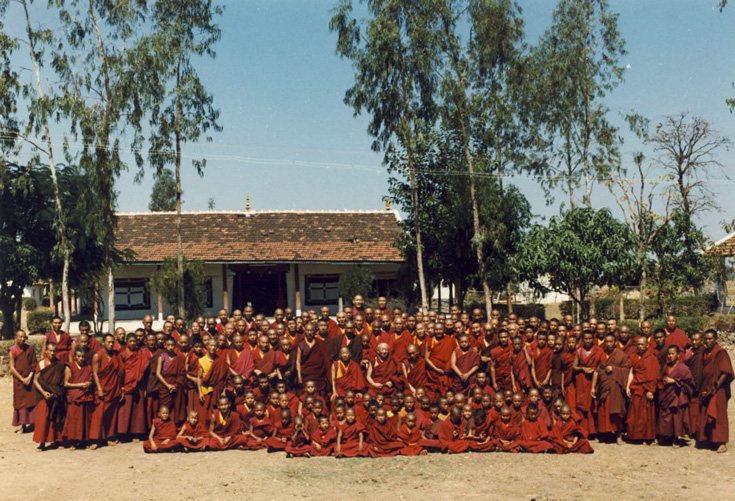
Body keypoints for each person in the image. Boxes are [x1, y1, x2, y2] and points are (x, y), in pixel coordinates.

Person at [697, 329, 734, 453]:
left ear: (715, 339)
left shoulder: (720, 353)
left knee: (719, 414)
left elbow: (726, 371)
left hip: (718, 389)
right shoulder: (705, 353)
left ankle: (722, 443)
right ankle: (711, 439)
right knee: (706, 412)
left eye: (710, 339)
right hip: (706, 387)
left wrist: (716, 387)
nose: (708, 341)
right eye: (706, 339)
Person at [592, 333, 631, 444]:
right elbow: (596, 371)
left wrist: (614, 369)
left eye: (611, 342)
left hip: (616, 388)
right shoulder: (601, 354)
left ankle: (618, 436)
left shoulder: (621, 355)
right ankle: (605, 435)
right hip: (603, 387)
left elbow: (627, 370)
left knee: (616, 412)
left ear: (615, 343)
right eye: (607, 342)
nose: (608, 344)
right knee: (603, 412)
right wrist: (593, 387)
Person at [90, 334, 124, 448]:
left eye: (112, 342)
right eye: (108, 342)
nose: (111, 344)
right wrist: (99, 388)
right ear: (103, 343)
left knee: (111, 413)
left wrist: (121, 388)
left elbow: (120, 372)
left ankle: (109, 436)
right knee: (99, 413)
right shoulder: (97, 355)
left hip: (113, 387)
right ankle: (95, 439)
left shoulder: (116, 355)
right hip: (102, 388)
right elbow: (95, 373)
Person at [657, 346, 695, 448]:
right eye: (669, 354)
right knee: (665, 416)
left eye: (673, 354)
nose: (670, 356)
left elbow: (690, 384)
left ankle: (677, 439)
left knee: (677, 418)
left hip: (677, 396)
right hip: (667, 395)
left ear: (678, 355)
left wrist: (675, 381)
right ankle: (666, 436)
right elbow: (661, 378)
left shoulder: (683, 368)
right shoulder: (666, 366)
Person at [626, 336, 660, 444]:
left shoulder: (652, 358)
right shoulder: (634, 356)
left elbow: (654, 375)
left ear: (647, 345)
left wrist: (651, 390)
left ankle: (647, 437)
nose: (640, 347)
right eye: (638, 344)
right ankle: (635, 436)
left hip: (646, 390)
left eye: (642, 344)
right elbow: (632, 371)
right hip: (636, 388)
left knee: (646, 415)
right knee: (635, 414)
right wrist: (628, 386)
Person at [33, 343, 66, 450]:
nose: (52, 353)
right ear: (46, 351)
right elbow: (35, 380)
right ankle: (42, 443)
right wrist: (43, 393)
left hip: (55, 394)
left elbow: (61, 382)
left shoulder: (59, 365)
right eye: (50, 351)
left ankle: (58, 440)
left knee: (56, 417)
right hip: (43, 395)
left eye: (54, 351)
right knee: (43, 418)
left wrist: (57, 392)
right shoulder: (41, 364)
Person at [62, 348, 94, 448]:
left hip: (85, 396)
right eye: (79, 356)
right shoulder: (69, 366)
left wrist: (89, 384)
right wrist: (80, 385)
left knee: (85, 419)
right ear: (74, 357)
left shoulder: (88, 367)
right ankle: (73, 442)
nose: (81, 358)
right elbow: (66, 384)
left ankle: (84, 441)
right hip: (74, 395)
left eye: (83, 356)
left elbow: (91, 380)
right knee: (73, 419)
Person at [9, 329, 37, 432]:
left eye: (24, 337)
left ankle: (34, 423)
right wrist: (22, 379)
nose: (22, 339)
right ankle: (23, 425)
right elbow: (12, 368)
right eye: (20, 337)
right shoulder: (12, 350)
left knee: (31, 400)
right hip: (19, 380)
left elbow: (34, 364)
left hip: (29, 379)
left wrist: (29, 377)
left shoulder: (30, 349)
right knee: (20, 402)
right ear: (16, 338)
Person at [157, 337, 187, 425]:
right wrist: (167, 385)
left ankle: (174, 425)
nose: (170, 347)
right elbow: (158, 374)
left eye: (172, 345)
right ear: (165, 345)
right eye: (168, 345)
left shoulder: (179, 357)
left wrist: (176, 385)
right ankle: (163, 425)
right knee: (164, 406)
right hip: (164, 385)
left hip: (176, 384)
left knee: (176, 406)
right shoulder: (161, 357)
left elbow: (182, 373)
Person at [296, 324, 331, 396]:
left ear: (314, 331)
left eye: (311, 330)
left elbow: (325, 359)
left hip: (318, 373)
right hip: (306, 373)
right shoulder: (301, 344)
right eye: (307, 330)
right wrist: (299, 376)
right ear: (305, 331)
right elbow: (298, 361)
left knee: (319, 393)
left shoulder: (320, 343)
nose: (309, 332)